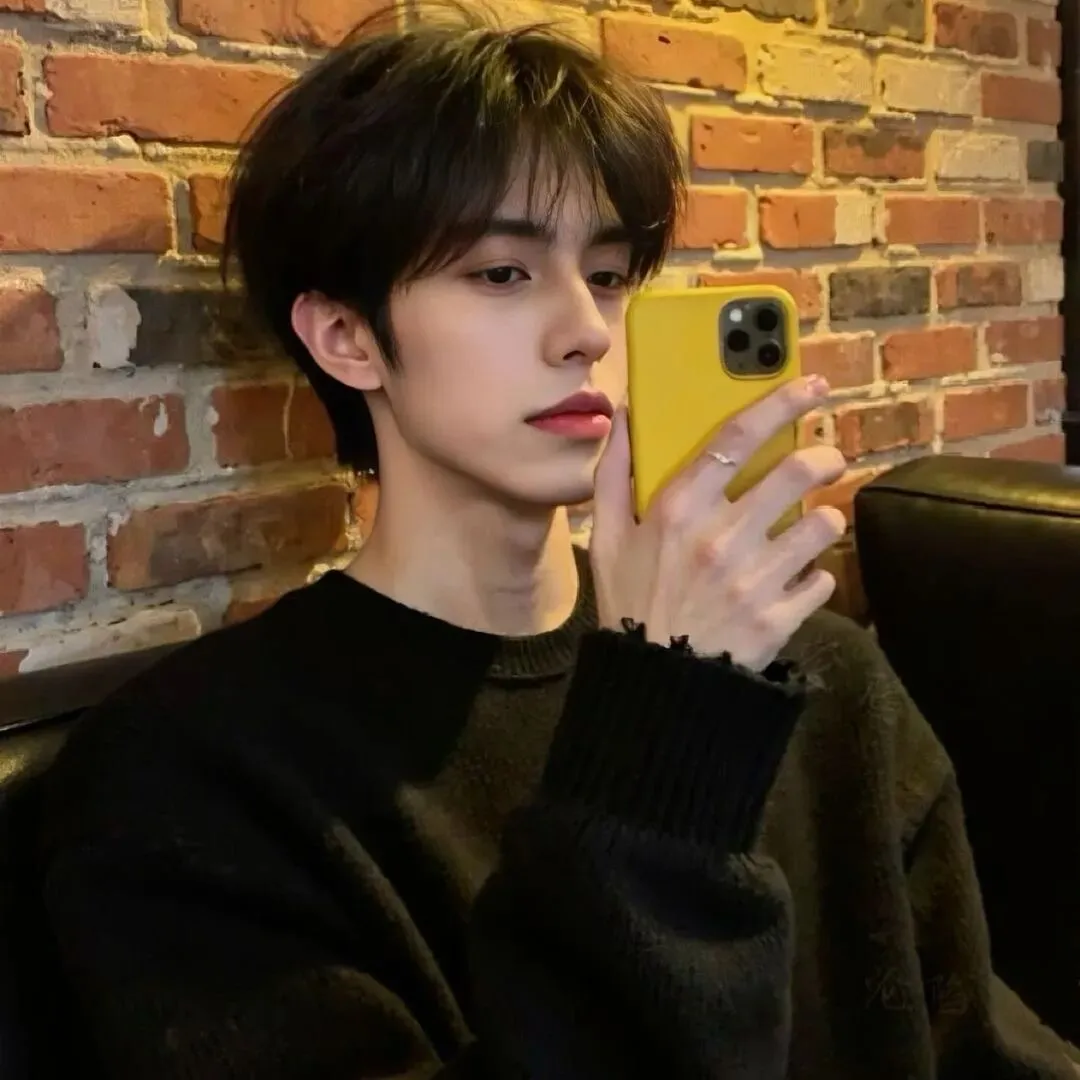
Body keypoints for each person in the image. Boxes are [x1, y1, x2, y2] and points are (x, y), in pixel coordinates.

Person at [38, 6, 1079, 1079]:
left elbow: (978, 1045)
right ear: (347, 336)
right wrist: (670, 731)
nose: (587, 328)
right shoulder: (193, 779)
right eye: (503, 273)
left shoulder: (820, 676)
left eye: (612, 274)